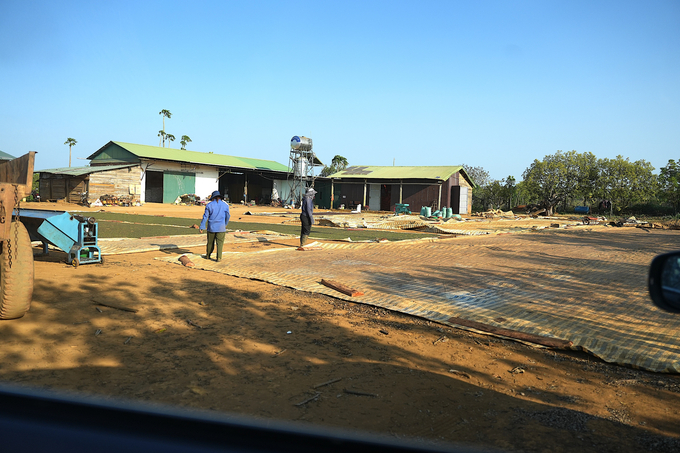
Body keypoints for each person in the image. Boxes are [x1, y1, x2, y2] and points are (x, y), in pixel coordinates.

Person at [199, 190, 230, 261]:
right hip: (221, 227)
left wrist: (202, 226)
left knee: (210, 242)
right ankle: (219, 257)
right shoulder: (225, 205)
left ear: (213, 197)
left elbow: (205, 217)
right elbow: (228, 216)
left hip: (211, 227)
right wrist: (225, 224)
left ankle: (208, 255)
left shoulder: (209, 205)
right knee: (220, 243)